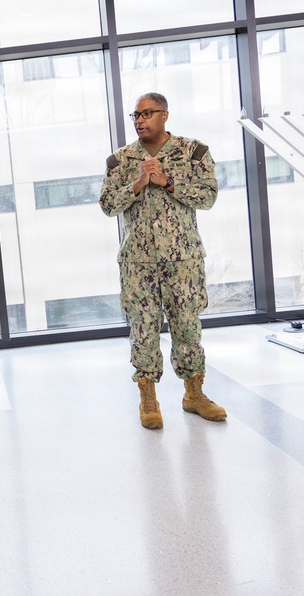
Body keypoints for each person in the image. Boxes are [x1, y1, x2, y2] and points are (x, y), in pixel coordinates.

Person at [98, 92, 227, 429]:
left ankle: (194, 394)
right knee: (143, 330)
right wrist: (139, 183)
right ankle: (148, 398)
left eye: (147, 114)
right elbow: (108, 204)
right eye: (135, 116)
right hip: (138, 263)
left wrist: (168, 182)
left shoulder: (193, 151)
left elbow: (209, 195)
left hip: (182, 259)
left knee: (187, 325)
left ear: (165, 115)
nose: (140, 120)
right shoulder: (120, 160)